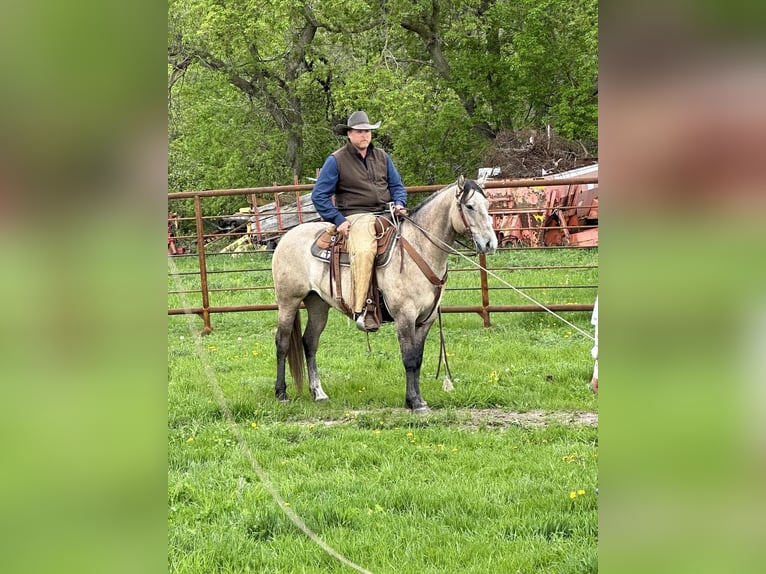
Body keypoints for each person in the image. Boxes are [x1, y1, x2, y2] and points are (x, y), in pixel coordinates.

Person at [311, 111, 408, 332]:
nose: (365, 135)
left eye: (367, 131)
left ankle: (414, 297)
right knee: (364, 251)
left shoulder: (382, 156)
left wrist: (400, 202)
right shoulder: (336, 160)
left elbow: (397, 186)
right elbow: (319, 195)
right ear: (349, 134)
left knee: (414, 240)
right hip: (356, 216)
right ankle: (363, 309)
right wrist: (338, 219)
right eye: (359, 131)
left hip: (385, 213)